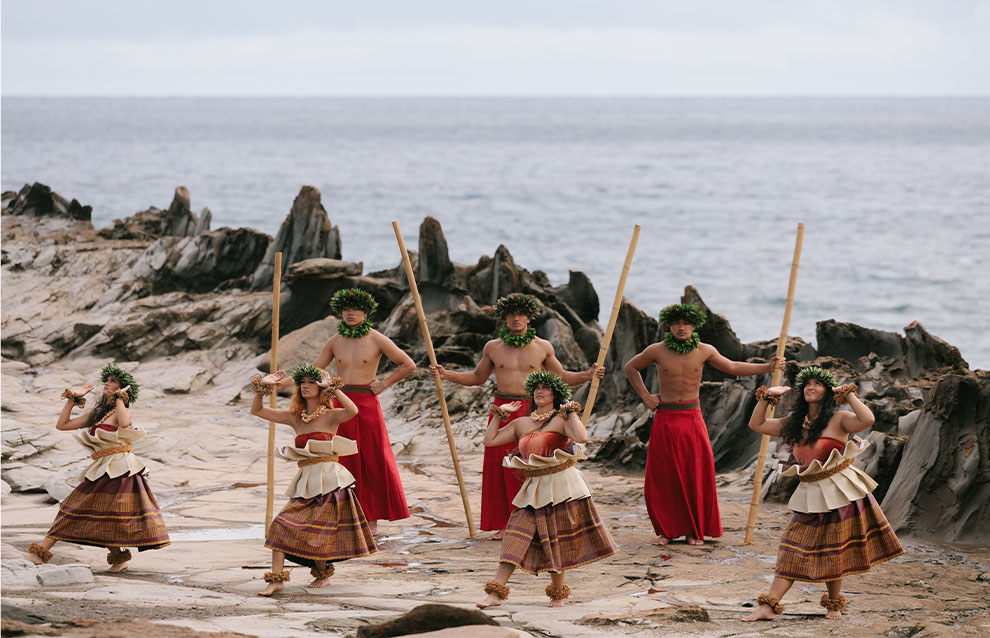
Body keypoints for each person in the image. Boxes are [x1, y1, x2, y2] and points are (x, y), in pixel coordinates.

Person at [430, 293, 604, 539]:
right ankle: (505, 523)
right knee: (500, 468)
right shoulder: (493, 347)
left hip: (534, 410)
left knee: (532, 464)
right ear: (504, 318)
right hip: (502, 408)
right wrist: (446, 374)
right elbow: (477, 378)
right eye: (511, 315)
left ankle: (533, 520)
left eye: (521, 315)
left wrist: (588, 374)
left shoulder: (543, 346)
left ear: (529, 318)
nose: (516, 319)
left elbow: (562, 376)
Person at [742, 366, 904, 621]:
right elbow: (757, 424)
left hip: (841, 490)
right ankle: (768, 606)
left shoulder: (839, 418)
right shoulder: (794, 422)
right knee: (791, 546)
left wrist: (849, 395)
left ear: (827, 391)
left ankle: (833, 605)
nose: (811, 387)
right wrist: (767, 397)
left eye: (818, 383)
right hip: (811, 491)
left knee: (834, 550)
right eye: (807, 383)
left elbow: (867, 420)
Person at [624, 303, 783, 546]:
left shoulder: (704, 350)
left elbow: (732, 367)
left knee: (695, 473)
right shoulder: (657, 350)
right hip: (665, 417)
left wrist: (767, 367)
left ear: (694, 326)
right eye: (676, 323)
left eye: (686, 323)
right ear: (669, 325)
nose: (681, 327)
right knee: (664, 475)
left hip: (692, 418)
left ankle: (693, 530)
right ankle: (667, 531)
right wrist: (646, 397)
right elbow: (631, 367)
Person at [476, 370, 618, 609]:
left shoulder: (561, 420)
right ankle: (495, 594)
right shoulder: (521, 423)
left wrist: (571, 414)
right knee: (514, 536)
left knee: (556, 540)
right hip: (534, 487)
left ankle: (558, 594)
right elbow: (489, 441)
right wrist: (500, 415)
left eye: (546, 388)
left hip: (563, 485)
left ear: (556, 394)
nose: (540, 392)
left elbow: (582, 437)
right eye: (537, 388)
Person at [290, 288, 416, 536]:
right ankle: (338, 515)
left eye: (355, 309)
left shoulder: (377, 338)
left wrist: (383, 384)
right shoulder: (335, 341)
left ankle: (371, 520)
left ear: (366, 312)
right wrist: (276, 383)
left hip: (366, 404)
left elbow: (408, 364)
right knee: (338, 458)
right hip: (337, 402)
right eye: (346, 310)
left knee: (371, 458)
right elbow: (313, 371)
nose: (350, 313)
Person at [25, 363, 169, 572]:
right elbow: (62, 425)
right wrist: (73, 399)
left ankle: (40, 554)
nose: (107, 383)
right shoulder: (99, 413)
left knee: (98, 513)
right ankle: (118, 558)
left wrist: (120, 399)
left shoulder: (122, 410)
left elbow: (126, 424)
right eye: (107, 380)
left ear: (124, 389)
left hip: (121, 471)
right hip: (103, 469)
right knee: (86, 510)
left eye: (113, 381)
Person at [251, 364, 377, 596]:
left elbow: (353, 411)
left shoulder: (331, 416)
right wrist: (263, 388)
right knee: (280, 526)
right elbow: (258, 411)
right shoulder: (295, 418)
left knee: (320, 534)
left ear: (321, 388)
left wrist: (333, 389)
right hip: (306, 481)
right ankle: (277, 580)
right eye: (303, 383)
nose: (306, 386)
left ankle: (322, 573)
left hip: (331, 481)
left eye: (312, 382)